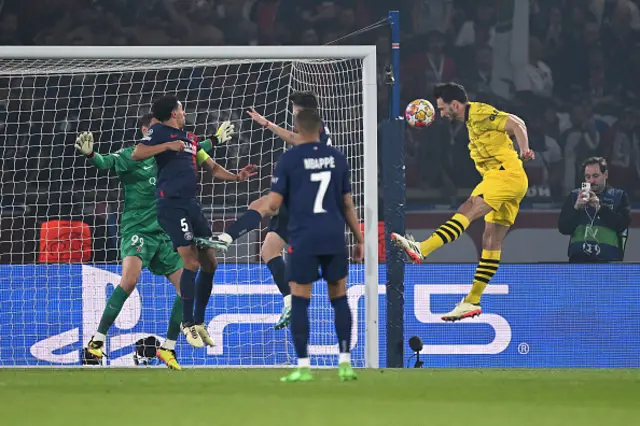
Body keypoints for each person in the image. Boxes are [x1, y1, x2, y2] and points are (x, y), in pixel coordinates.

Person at [392, 82, 534, 321]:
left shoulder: (479, 113)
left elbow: (516, 123)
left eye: (442, 108)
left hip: (505, 175)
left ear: (455, 104)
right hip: (509, 179)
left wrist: (525, 149)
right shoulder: (471, 122)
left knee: (468, 208)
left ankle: (423, 249)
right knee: (491, 240)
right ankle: (472, 301)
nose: (441, 113)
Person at [197, 91, 332, 330]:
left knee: (265, 205)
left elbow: (297, 140)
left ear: (300, 111)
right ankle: (290, 299)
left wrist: (268, 124)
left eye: (294, 109)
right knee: (269, 249)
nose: (292, 113)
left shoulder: (314, 127)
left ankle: (226, 237)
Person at [133, 96, 256, 347]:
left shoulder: (190, 138)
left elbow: (211, 167)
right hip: (170, 204)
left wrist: (236, 177)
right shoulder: (159, 132)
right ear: (173, 113)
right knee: (190, 260)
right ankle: (186, 323)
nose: (184, 111)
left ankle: (199, 321)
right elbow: (138, 153)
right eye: (181, 108)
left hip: (191, 204)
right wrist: (166, 147)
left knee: (210, 263)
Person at [76, 113, 184, 370]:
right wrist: (92, 155)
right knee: (130, 280)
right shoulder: (130, 155)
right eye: (157, 128)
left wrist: (215, 140)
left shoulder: (167, 157)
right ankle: (96, 342)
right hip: (138, 231)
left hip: (163, 234)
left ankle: (168, 348)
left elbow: (196, 149)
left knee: (187, 289)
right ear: (145, 129)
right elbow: (105, 162)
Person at [261, 108, 362, 382]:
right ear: (321, 129)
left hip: (302, 238)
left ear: (298, 130)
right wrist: (359, 239)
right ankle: (345, 363)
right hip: (333, 235)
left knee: (300, 301)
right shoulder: (338, 158)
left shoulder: (289, 160)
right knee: (339, 298)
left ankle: (303, 366)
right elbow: (347, 204)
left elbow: (273, 205)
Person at [558, 157, 631, 262]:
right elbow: (563, 229)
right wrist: (576, 208)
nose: (591, 181)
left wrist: (600, 208)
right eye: (587, 177)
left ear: (605, 175)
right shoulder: (575, 196)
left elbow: (622, 225)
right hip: (578, 260)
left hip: (608, 261)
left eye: (595, 176)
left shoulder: (619, 196)